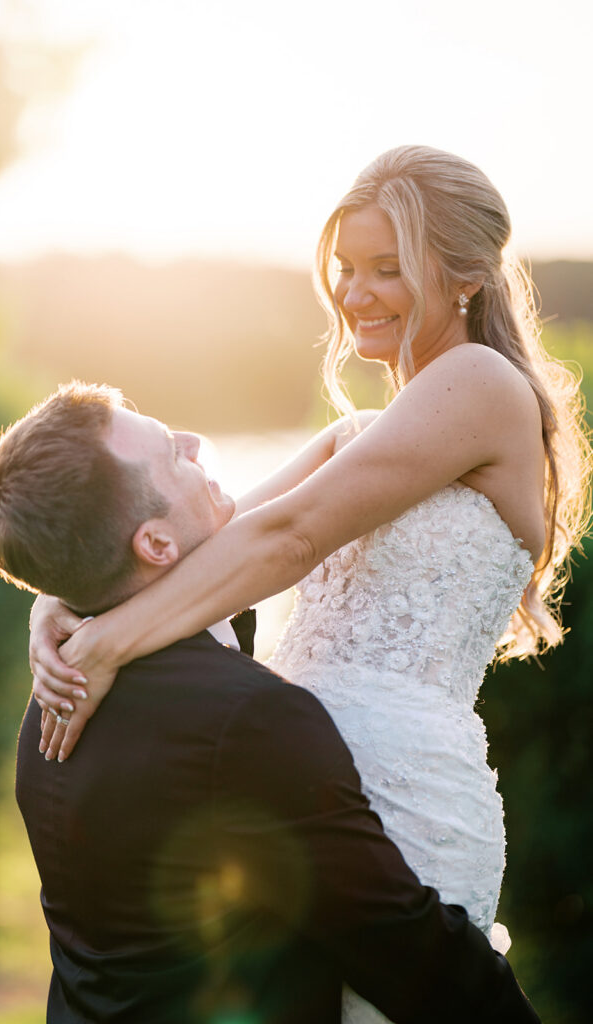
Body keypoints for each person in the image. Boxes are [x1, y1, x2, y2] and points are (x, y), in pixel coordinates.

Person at [29, 148, 590, 1019]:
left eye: (386, 269)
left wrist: (106, 643)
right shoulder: (355, 437)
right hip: (287, 793)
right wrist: (61, 605)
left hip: (403, 793)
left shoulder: (481, 385)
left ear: (468, 277)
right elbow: (193, 547)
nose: (354, 293)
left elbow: (286, 539)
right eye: (344, 269)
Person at [0, 381, 539, 1024]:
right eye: (172, 453)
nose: (192, 441)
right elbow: (404, 946)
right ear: (155, 546)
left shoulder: (50, 709)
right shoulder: (250, 722)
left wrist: (52, 600)